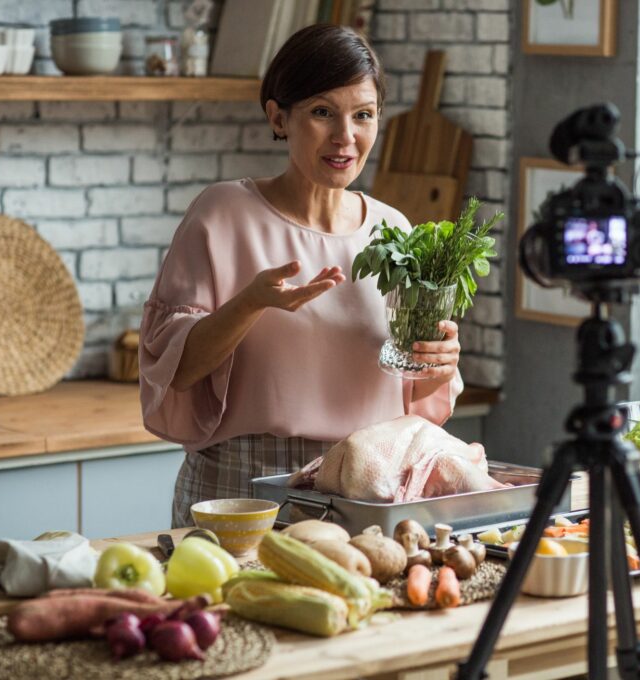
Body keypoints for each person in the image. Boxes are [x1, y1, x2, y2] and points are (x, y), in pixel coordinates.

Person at [138, 24, 463, 528]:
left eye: (363, 115)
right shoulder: (223, 214)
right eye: (321, 112)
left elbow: (410, 393)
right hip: (241, 487)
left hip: (367, 483)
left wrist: (437, 364)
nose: (345, 137)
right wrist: (250, 303)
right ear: (278, 116)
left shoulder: (395, 231)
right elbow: (174, 370)